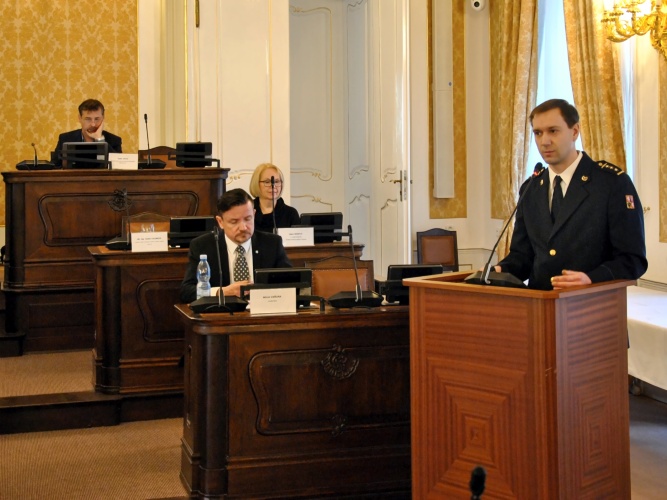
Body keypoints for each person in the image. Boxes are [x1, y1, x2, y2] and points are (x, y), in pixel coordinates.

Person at [495, 98, 647, 290]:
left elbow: (632, 259)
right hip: (540, 302)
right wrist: (497, 271)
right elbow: (523, 256)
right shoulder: (530, 189)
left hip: (590, 301)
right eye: (538, 133)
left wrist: (591, 278)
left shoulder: (611, 183)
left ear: (574, 131)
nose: (544, 141)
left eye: (553, 131)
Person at [179, 188, 292, 302]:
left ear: (254, 214)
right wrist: (221, 292)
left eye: (248, 219)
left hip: (262, 309)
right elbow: (187, 292)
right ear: (220, 222)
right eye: (234, 222)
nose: (243, 227)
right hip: (222, 311)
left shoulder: (272, 243)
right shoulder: (203, 246)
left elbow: (292, 283)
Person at [53, 99, 122, 166]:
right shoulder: (65, 138)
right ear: (80, 118)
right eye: (88, 119)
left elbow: (119, 165)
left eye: (97, 119)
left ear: (103, 118)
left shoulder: (114, 140)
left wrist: (100, 140)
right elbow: (54, 166)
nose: (93, 124)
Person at [249, 163, 300, 232]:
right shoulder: (247, 211)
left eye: (276, 181)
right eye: (267, 182)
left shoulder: (291, 213)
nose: (273, 186)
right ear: (256, 184)